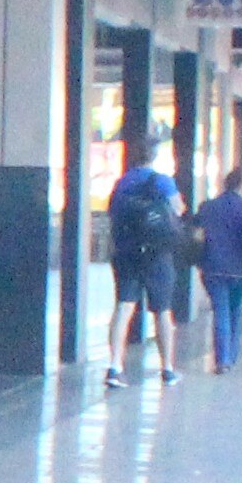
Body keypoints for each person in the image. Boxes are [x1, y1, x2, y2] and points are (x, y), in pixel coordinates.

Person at [104, 139, 186, 387]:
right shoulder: (162, 181)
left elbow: (113, 213)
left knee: (124, 307)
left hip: (127, 252)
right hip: (157, 254)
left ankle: (115, 366)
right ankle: (167, 368)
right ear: (154, 156)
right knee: (162, 311)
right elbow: (179, 209)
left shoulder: (122, 183)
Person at [195, 164, 242, 373]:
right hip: (239, 270)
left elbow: (196, 233)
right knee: (234, 311)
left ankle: (223, 359)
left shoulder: (208, 206)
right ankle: (230, 355)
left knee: (220, 311)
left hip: (213, 267)